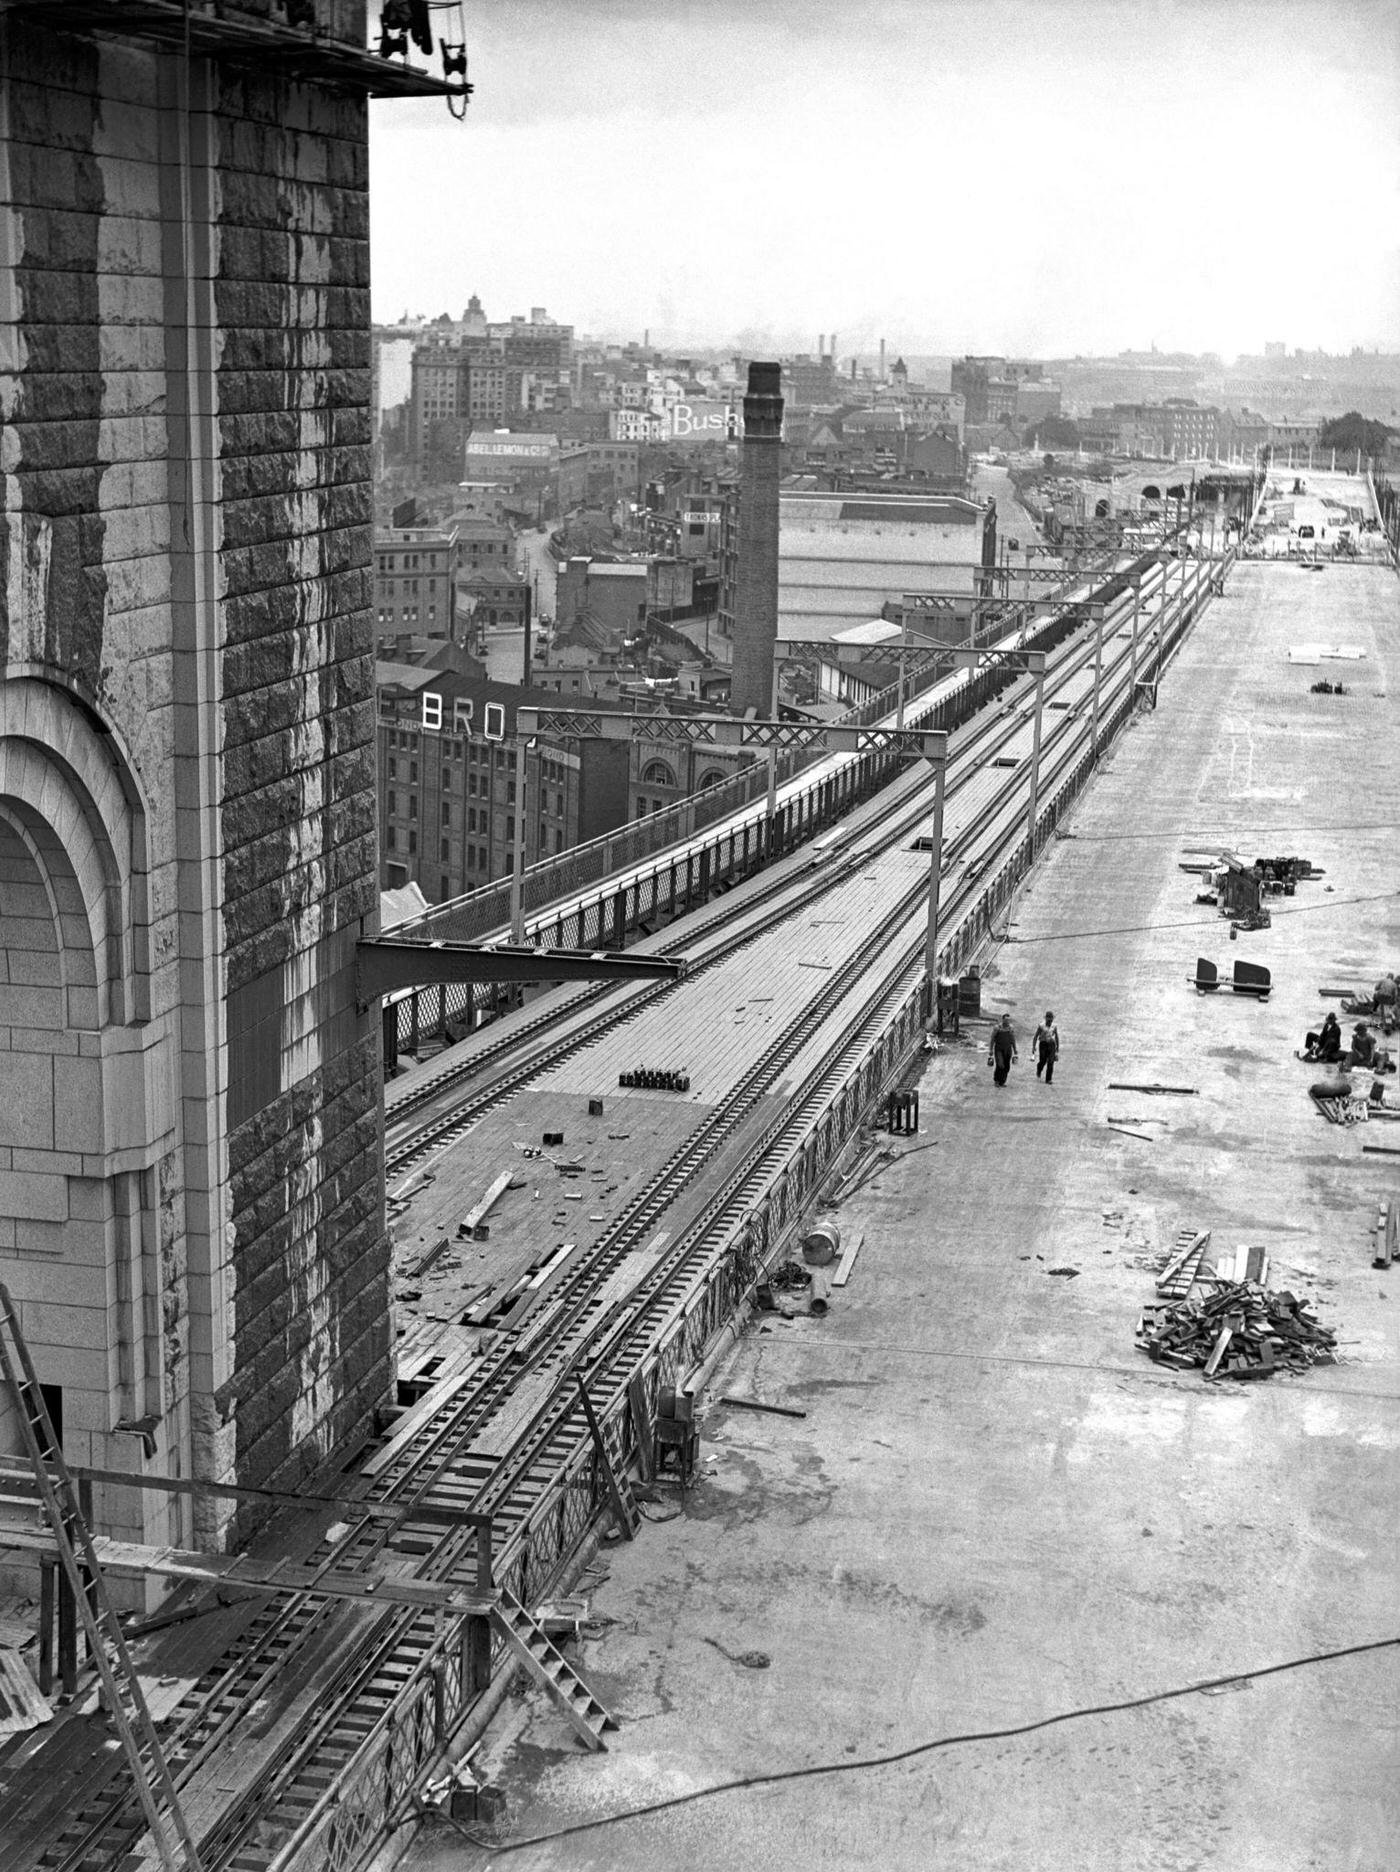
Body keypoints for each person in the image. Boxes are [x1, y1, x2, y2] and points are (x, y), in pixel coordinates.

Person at [988, 1014, 1017, 1087]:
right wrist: (991, 1049)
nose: (1007, 1021)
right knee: (1000, 1064)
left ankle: (1002, 1081)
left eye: (1009, 1020)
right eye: (1006, 1020)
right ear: (1003, 1019)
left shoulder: (1010, 1028)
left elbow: (1013, 1039)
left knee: (1007, 1066)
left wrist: (1015, 1049)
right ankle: (996, 1080)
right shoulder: (997, 1028)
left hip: (1008, 1049)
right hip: (999, 1049)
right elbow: (992, 1039)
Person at [1034, 1011, 1060, 1084]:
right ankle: (1039, 1069)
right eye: (1048, 1018)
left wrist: (1057, 1047)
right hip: (1043, 1044)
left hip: (1051, 1044)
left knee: (1051, 1062)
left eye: (1051, 1019)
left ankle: (1048, 1079)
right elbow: (1036, 1036)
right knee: (1043, 1060)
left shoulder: (1054, 1026)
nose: (1050, 1020)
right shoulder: (1041, 1026)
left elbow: (1056, 1036)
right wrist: (1033, 1046)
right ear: (1046, 1018)